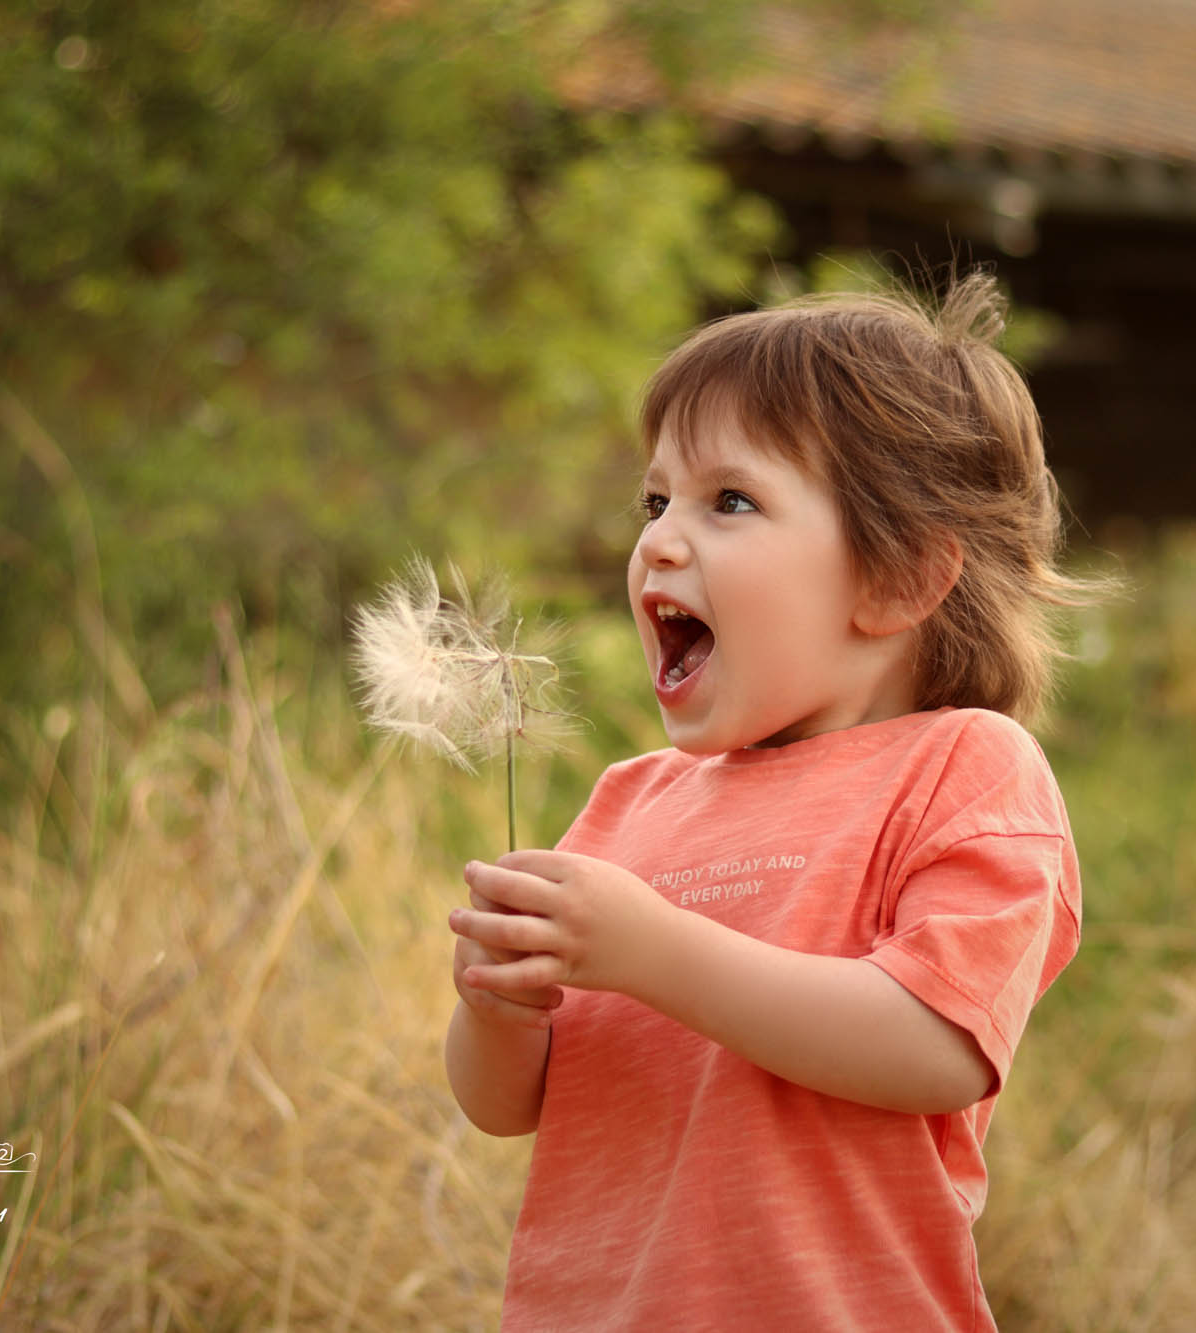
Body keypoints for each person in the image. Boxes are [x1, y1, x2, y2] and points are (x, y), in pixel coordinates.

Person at [444, 271, 1097, 1331]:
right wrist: (494, 1009)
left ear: (898, 578)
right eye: (655, 501)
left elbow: (937, 1049)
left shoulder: (961, 766)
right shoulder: (629, 802)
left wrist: (653, 951)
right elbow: (506, 1106)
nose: (659, 540)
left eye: (729, 501)